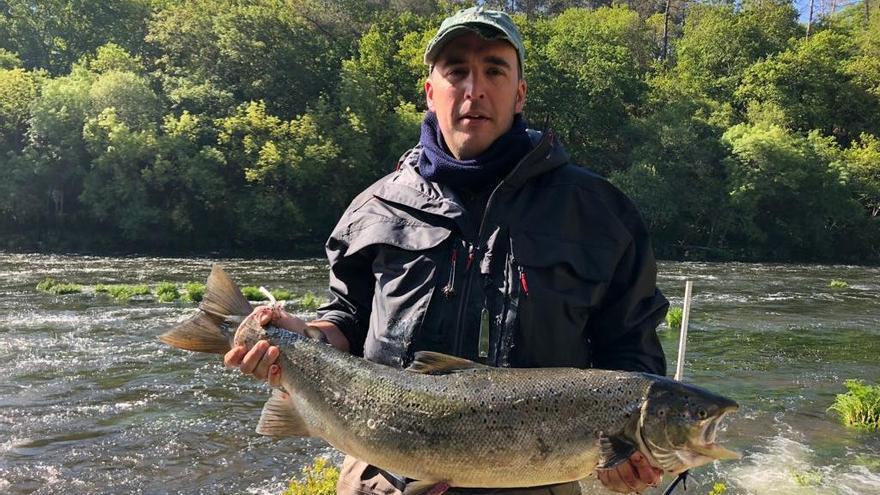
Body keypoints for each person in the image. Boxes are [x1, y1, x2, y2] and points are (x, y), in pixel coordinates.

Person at [225, 7, 668, 495]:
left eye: (494, 70)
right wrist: (300, 336)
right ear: (430, 91)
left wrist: (637, 448)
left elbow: (632, 354)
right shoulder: (374, 207)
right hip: (386, 474)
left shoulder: (599, 212)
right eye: (456, 71)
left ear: (519, 94)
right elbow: (347, 320)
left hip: (539, 480)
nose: (474, 89)